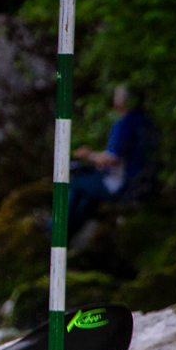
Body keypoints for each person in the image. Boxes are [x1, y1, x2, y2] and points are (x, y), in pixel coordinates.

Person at [66, 84, 159, 241]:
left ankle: (57, 229)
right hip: (145, 183)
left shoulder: (124, 124)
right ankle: (73, 234)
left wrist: (88, 155)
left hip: (124, 185)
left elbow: (111, 159)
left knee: (77, 183)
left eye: (117, 96)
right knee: (89, 191)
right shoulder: (146, 122)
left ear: (123, 101)